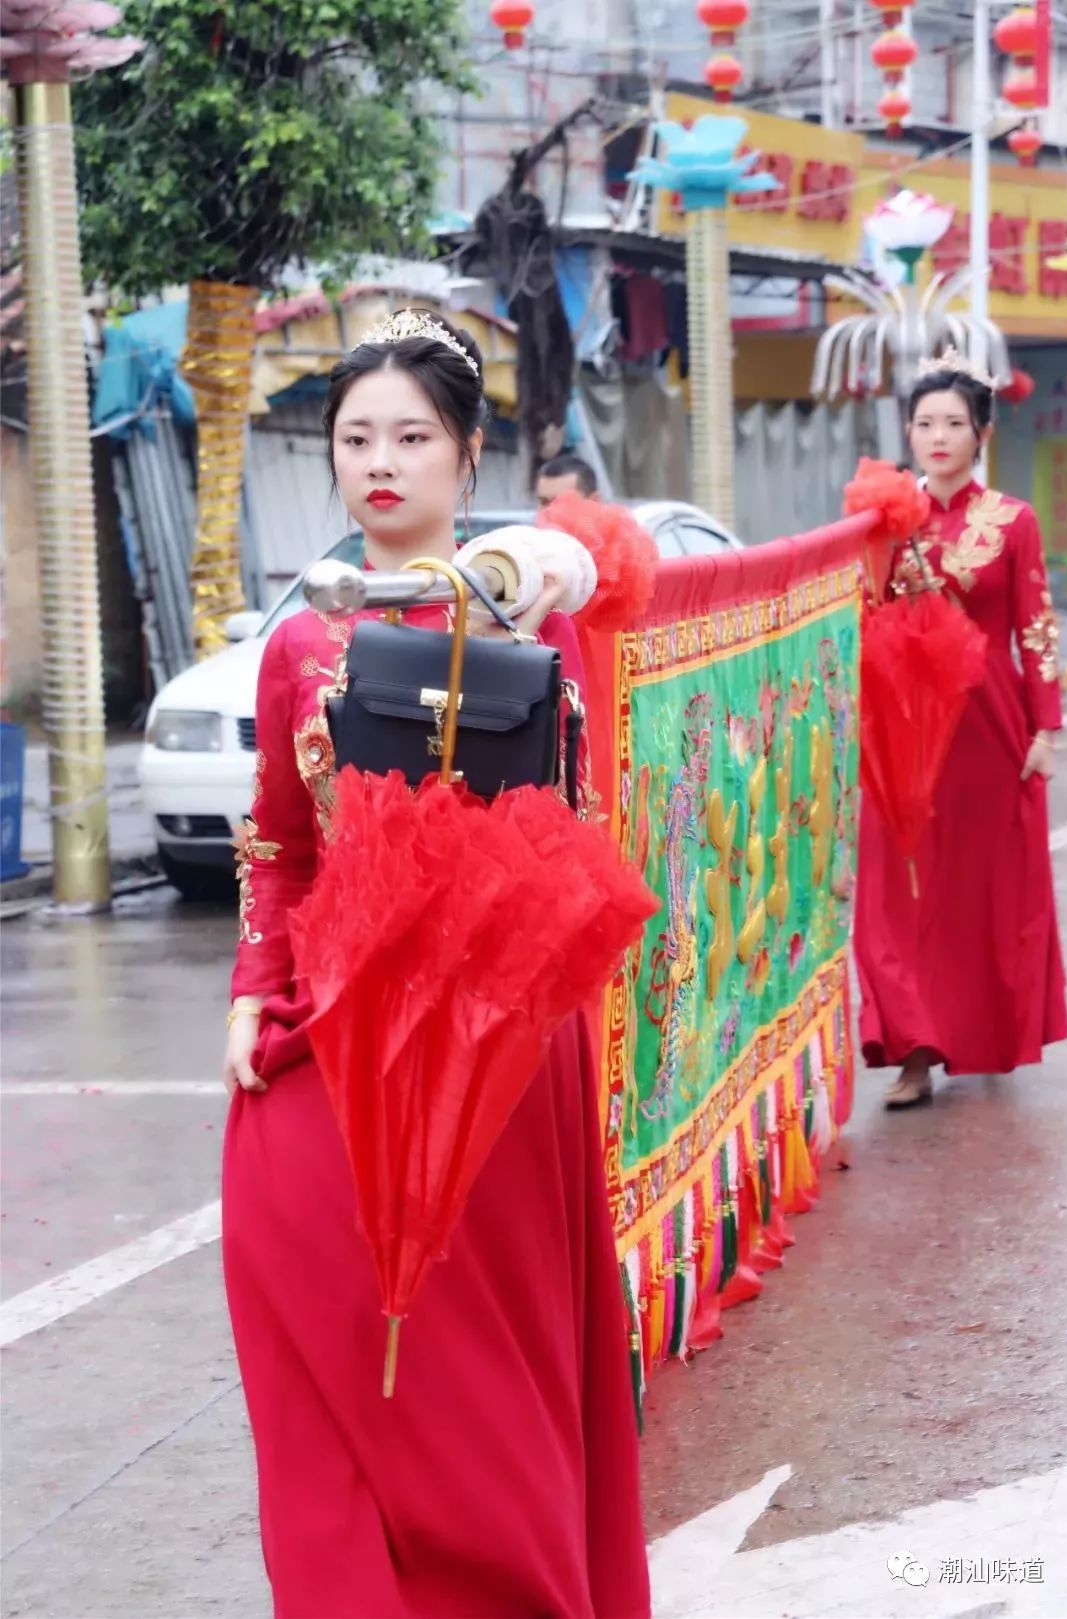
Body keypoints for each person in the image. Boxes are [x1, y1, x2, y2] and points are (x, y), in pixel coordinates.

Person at [221, 309, 651, 1619]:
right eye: (355, 437)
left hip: (490, 1032)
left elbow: (571, 823)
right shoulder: (300, 642)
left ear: (468, 456)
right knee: (304, 1293)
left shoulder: (534, 626)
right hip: (332, 1025)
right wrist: (253, 990)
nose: (380, 462)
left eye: (412, 435)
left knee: (481, 1359)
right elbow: (278, 849)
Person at [855, 353, 1067, 1108]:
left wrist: (1047, 728)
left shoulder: (1013, 519)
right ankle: (914, 1050)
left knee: (978, 892)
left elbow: (1034, 626)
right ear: (906, 433)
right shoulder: (878, 519)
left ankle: (976, 1034)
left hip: (989, 729)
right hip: (903, 731)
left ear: (980, 432)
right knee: (898, 891)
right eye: (923, 423)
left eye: (953, 422)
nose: (938, 436)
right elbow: (859, 615)